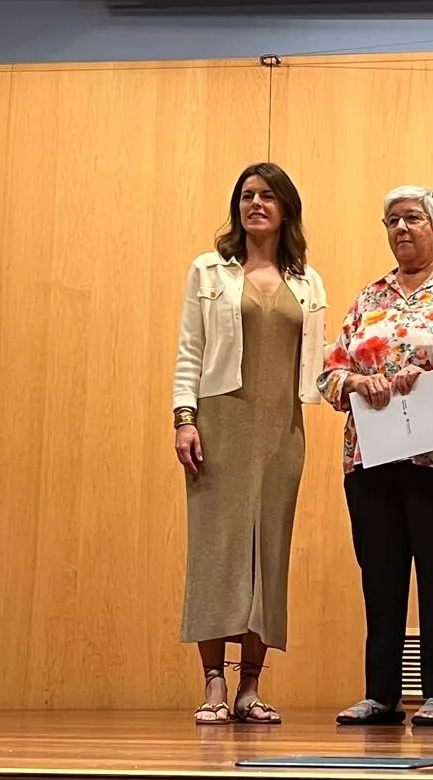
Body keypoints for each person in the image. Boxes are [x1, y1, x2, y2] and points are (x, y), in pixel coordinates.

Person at [318, 186, 433, 727]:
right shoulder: (367, 298)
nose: (401, 229)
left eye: (413, 218)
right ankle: (380, 694)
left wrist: (432, 383)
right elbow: (328, 376)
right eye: (392, 221)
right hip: (371, 457)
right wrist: (360, 380)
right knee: (379, 573)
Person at [171, 162, 328, 725]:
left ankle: (250, 686)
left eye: (266, 196)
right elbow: (190, 349)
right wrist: (184, 418)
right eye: (246, 196)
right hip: (220, 422)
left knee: (269, 553)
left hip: (282, 430)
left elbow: (322, 365)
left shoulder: (307, 281)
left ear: (286, 208)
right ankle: (213, 680)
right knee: (217, 549)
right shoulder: (209, 271)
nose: (254, 204)